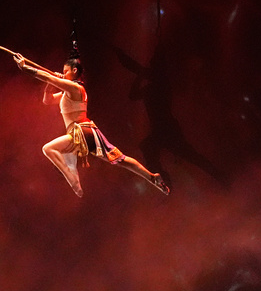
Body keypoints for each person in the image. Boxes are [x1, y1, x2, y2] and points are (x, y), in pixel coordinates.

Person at [14, 52, 170, 198]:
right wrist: (52, 81)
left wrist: (24, 67)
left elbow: (47, 77)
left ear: (74, 70)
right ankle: (152, 177)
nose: (63, 74)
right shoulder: (66, 93)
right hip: (88, 134)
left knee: (48, 148)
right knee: (121, 160)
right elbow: (47, 100)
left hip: (81, 132)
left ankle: (71, 175)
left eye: (66, 71)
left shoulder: (76, 88)